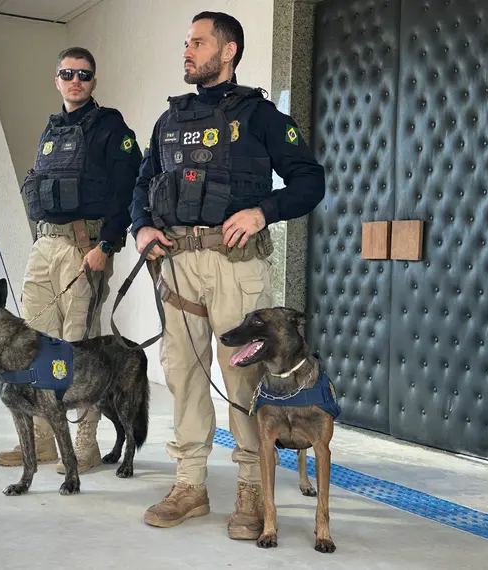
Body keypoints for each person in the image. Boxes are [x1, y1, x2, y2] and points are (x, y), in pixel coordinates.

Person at [129, 12, 326, 539]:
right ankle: (189, 485)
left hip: (235, 266)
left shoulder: (260, 116)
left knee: (243, 376)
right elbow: (143, 183)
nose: (187, 51)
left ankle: (251, 487)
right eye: (186, 43)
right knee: (182, 373)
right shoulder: (169, 120)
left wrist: (263, 211)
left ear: (228, 50)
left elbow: (309, 181)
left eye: (198, 42)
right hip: (177, 264)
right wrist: (141, 227)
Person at [0, 46, 142, 474]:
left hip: (84, 247)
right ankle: (43, 440)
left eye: (84, 74)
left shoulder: (111, 127)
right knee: (34, 344)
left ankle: (84, 444)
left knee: (79, 348)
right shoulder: (52, 130)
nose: (75, 81)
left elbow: (129, 190)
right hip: (44, 245)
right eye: (67, 73)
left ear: (94, 81)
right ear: (56, 79)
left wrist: (106, 245)